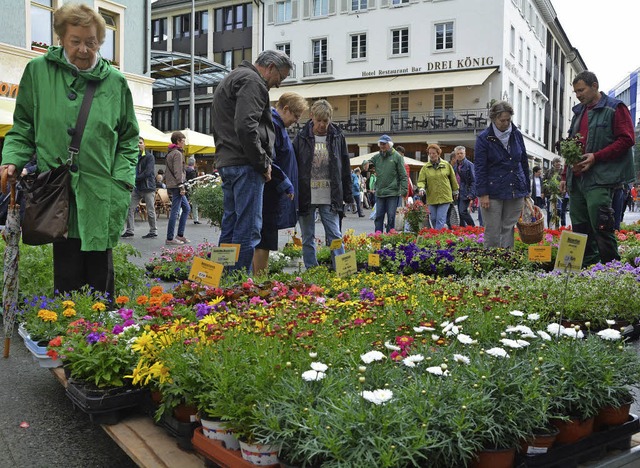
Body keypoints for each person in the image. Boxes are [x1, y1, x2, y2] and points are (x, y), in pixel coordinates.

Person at [0, 3, 138, 301]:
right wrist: (12, 159)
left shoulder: (116, 83)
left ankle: (100, 339)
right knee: (66, 272)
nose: (84, 50)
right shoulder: (37, 72)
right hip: (57, 191)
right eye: (76, 41)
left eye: (91, 42)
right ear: (61, 38)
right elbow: (24, 126)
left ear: (101, 42)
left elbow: (129, 139)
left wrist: (122, 180)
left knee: (101, 276)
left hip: (102, 191)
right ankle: (66, 340)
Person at [212, 50, 293, 272]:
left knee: (230, 224)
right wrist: (262, 162)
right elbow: (246, 127)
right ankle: (238, 283)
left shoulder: (233, 77)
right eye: (281, 78)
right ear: (271, 68)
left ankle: (222, 280)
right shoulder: (253, 82)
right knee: (248, 228)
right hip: (244, 164)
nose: (278, 85)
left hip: (228, 161)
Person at [560, 71, 635, 265]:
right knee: (580, 228)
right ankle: (588, 268)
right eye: (575, 91)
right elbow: (571, 147)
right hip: (577, 181)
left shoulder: (615, 108)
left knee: (602, 225)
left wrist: (596, 157)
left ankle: (612, 269)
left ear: (595, 86)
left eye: (581, 90)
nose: (578, 95)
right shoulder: (578, 113)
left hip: (601, 179)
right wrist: (563, 176)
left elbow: (627, 139)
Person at [252, 92, 308, 276]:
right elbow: (270, 159)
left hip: (273, 191)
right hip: (269, 191)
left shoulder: (277, 125)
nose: (296, 121)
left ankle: (261, 276)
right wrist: (284, 182)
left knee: (266, 237)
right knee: (265, 237)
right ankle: (260, 279)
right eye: (295, 116)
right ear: (285, 109)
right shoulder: (273, 125)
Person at [293, 99, 353, 269]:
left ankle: (341, 270)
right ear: (311, 117)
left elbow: (345, 165)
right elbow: (294, 165)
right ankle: (312, 270)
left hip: (330, 195)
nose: (321, 125)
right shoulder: (301, 137)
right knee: (307, 237)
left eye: (325, 121)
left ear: (330, 119)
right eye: (318, 121)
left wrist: (348, 194)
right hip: (306, 194)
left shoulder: (337, 136)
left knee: (335, 235)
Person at [475, 101, 530, 249]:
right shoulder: (484, 138)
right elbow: (480, 168)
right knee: (492, 230)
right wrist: (483, 193)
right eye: (502, 120)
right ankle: (491, 262)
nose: (506, 123)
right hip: (493, 191)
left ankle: (507, 260)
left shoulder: (516, 134)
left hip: (515, 187)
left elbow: (523, 161)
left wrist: (526, 190)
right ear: (493, 119)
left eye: (508, 120)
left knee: (508, 228)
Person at [362, 135, 408, 233]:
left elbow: (403, 175)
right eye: (380, 144)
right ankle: (377, 238)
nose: (382, 146)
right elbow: (368, 163)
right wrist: (365, 163)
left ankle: (389, 239)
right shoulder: (377, 157)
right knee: (378, 217)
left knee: (391, 217)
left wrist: (404, 191)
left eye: (384, 144)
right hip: (380, 192)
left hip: (393, 192)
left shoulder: (397, 157)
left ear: (389, 145)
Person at [416, 144, 459, 230]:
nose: (431, 155)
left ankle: (437, 238)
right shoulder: (425, 167)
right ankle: (439, 233)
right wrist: (421, 188)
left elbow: (453, 179)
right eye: (430, 153)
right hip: (432, 197)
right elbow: (421, 181)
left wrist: (455, 191)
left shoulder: (446, 165)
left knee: (440, 218)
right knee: (433, 219)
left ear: (438, 153)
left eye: (434, 153)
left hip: (445, 196)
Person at [122, 137, 158, 239]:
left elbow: (148, 172)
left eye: (141, 143)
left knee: (150, 210)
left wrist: (135, 179)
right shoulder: (134, 157)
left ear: (145, 144)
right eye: (137, 143)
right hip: (137, 187)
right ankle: (130, 230)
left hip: (148, 187)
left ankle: (153, 231)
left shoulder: (149, 157)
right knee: (130, 208)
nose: (139, 145)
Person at [164, 131, 190, 245]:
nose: (184, 143)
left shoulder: (170, 153)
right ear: (178, 141)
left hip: (172, 184)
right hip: (177, 185)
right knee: (175, 212)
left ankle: (180, 235)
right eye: (183, 141)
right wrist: (181, 186)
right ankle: (170, 238)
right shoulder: (178, 154)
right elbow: (178, 171)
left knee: (186, 208)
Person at [452, 145, 476, 227]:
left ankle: (472, 226)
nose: (459, 155)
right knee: (458, 213)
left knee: (462, 211)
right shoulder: (455, 166)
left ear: (465, 154)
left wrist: (472, 194)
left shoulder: (470, 165)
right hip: (457, 192)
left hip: (466, 192)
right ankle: (463, 229)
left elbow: (474, 180)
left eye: (461, 153)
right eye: (458, 153)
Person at [185, 156, 200, 224]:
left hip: (185, 187)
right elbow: (194, 181)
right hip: (192, 188)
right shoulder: (193, 171)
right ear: (194, 163)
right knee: (194, 204)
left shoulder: (185, 170)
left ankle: (178, 216)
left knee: (183, 202)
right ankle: (195, 219)